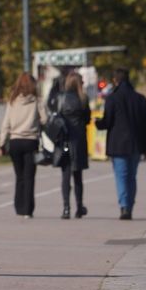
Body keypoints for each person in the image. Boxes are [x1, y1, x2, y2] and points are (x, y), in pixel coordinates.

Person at [95, 68, 146, 220]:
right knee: (132, 176)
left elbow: (107, 121)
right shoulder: (140, 99)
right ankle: (129, 205)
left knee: (121, 176)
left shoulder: (112, 98)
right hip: (136, 144)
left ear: (115, 81)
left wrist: (98, 124)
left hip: (118, 144)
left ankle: (125, 207)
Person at [0, 72, 45, 218]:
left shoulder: (12, 101)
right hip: (31, 141)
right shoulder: (37, 100)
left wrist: (1, 144)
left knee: (19, 176)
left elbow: (6, 123)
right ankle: (28, 210)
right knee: (29, 176)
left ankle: (19, 207)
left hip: (15, 142)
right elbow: (45, 119)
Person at [55, 71, 91, 220]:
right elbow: (88, 119)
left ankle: (66, 208)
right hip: (79, 140)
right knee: (78, 176)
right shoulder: (83, 99)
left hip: (64, 140)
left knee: (65, 176)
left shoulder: (61, 98)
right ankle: (79, 207)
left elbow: (56, 117)